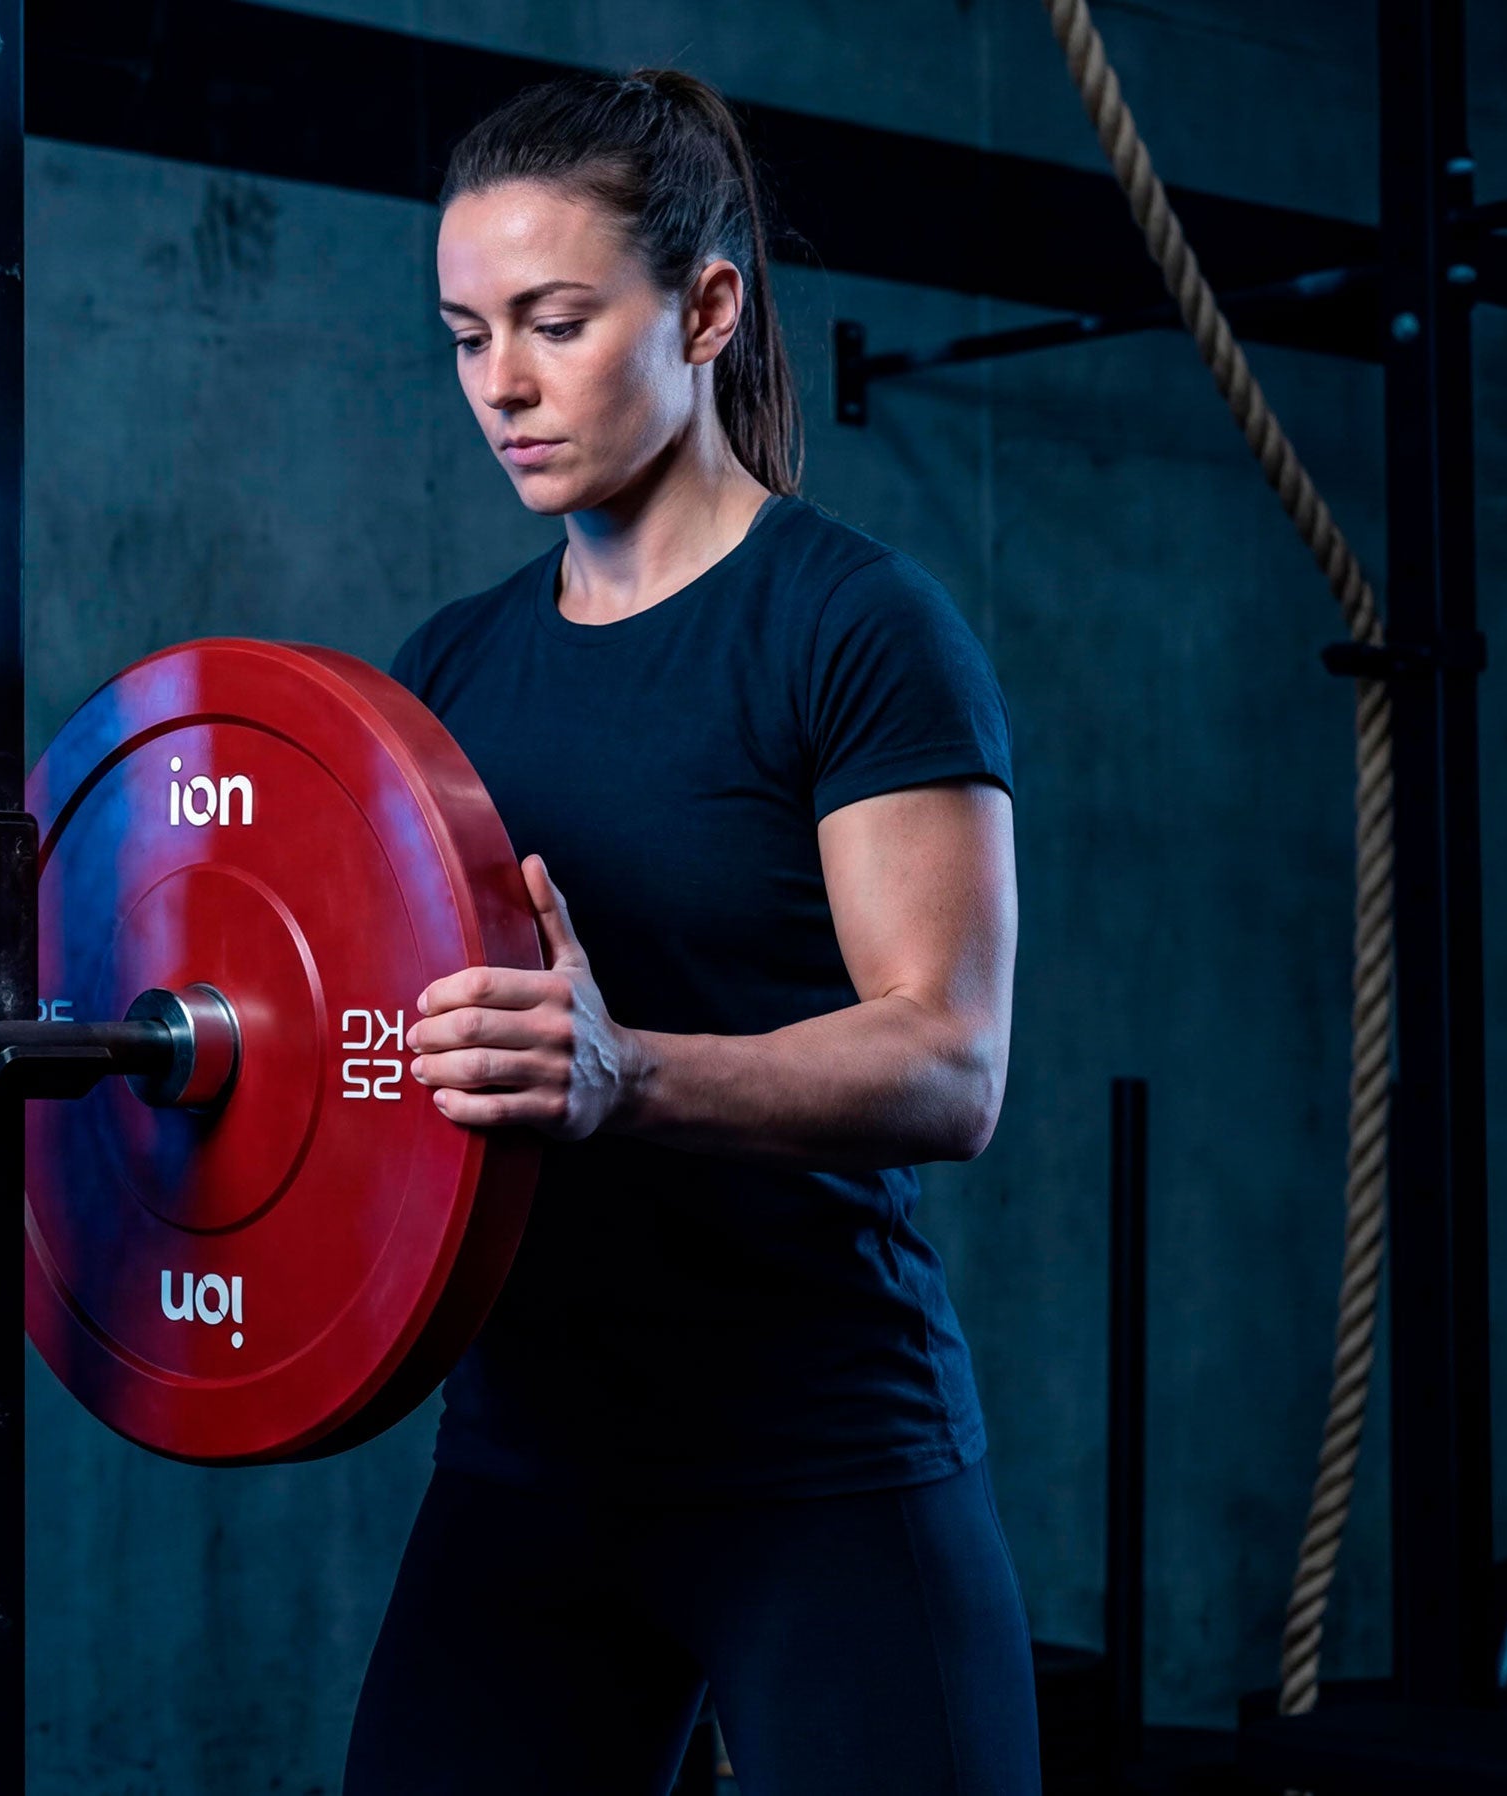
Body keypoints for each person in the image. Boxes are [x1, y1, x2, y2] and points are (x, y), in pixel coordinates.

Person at [342, 70, 1040, 1796]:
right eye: (464, 334)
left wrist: (624, 1071)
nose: (500, 382)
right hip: (528, 1462)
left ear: (708, 307)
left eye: (556, 322)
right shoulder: (448, 673)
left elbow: (949, 1058)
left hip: (815, 1456)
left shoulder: (856, 630)